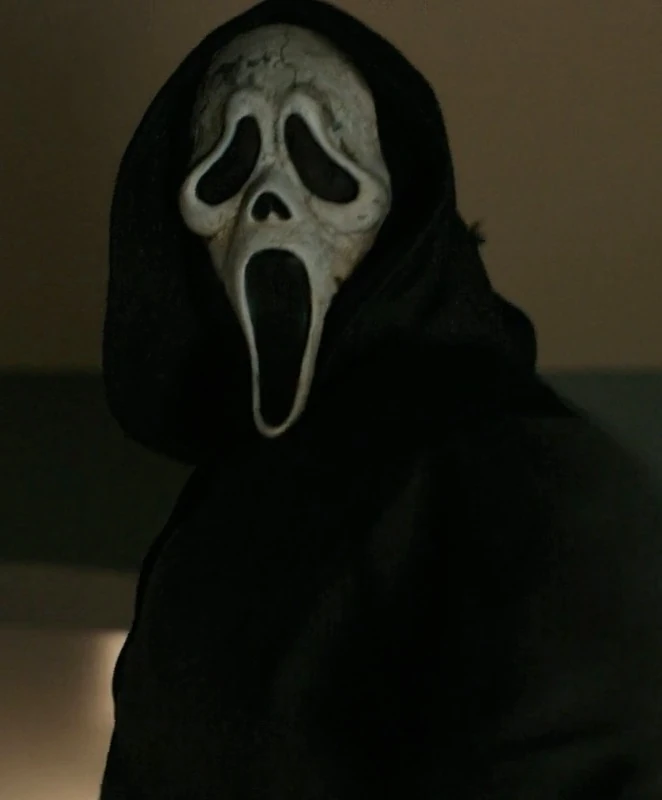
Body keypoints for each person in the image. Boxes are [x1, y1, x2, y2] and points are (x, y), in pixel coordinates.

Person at [100, 1, 662, 797]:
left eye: (321, 158)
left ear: (403, 212)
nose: (268, 203)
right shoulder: (211, 532)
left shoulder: (524, 473)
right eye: (227, 163)